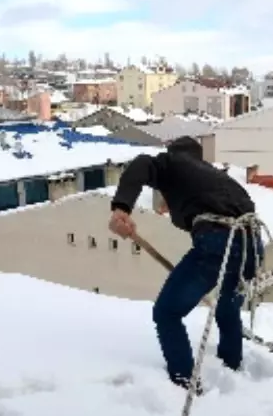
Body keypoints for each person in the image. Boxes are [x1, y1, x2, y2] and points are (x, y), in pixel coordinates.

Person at [108, 136, 262, 392]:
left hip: (218, 241)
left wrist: (121, 208)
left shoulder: (174, 163)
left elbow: (141, 164)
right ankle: (231, 369)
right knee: (227, 308)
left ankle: (183, 385)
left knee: (167, 313)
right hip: (252, 246)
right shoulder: (217, 177)